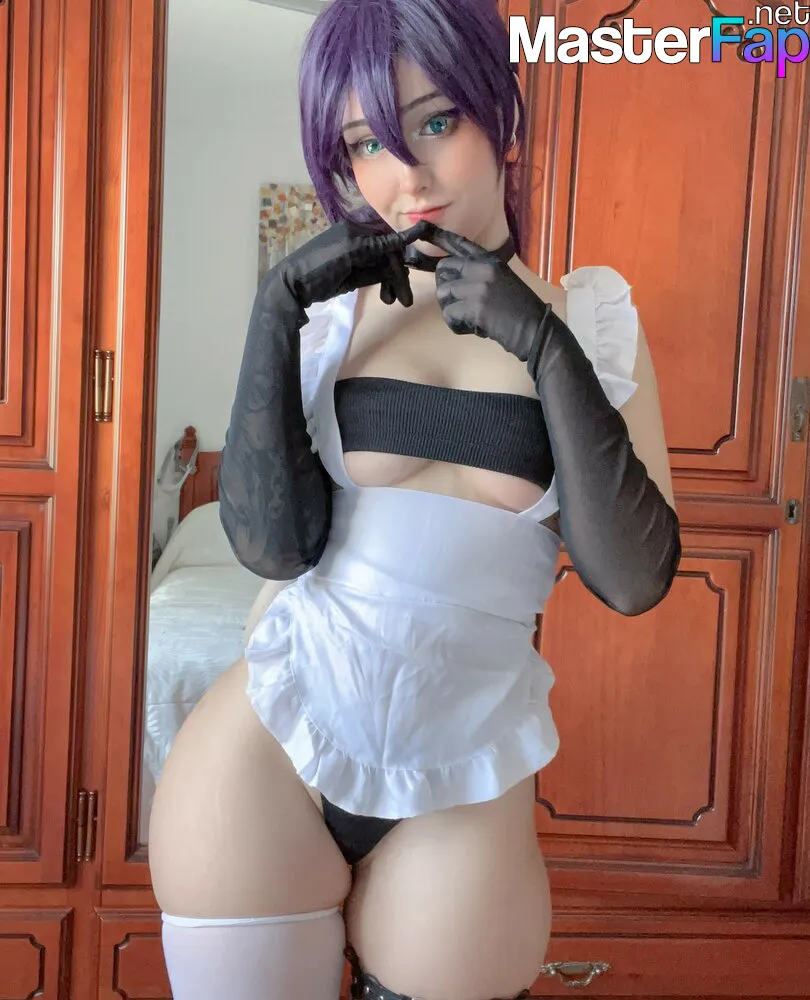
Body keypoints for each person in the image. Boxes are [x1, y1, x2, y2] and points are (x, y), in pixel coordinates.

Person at [148, 1, 681, 998]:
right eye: (366, 145)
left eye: (437, 122)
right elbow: (274, 546)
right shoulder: (330, 316)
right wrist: (275, 310)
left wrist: (544, 344)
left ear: (502, 119)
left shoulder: (591, 318)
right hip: (264, 758)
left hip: (465, 782)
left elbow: (633, 576)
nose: (407, 176)